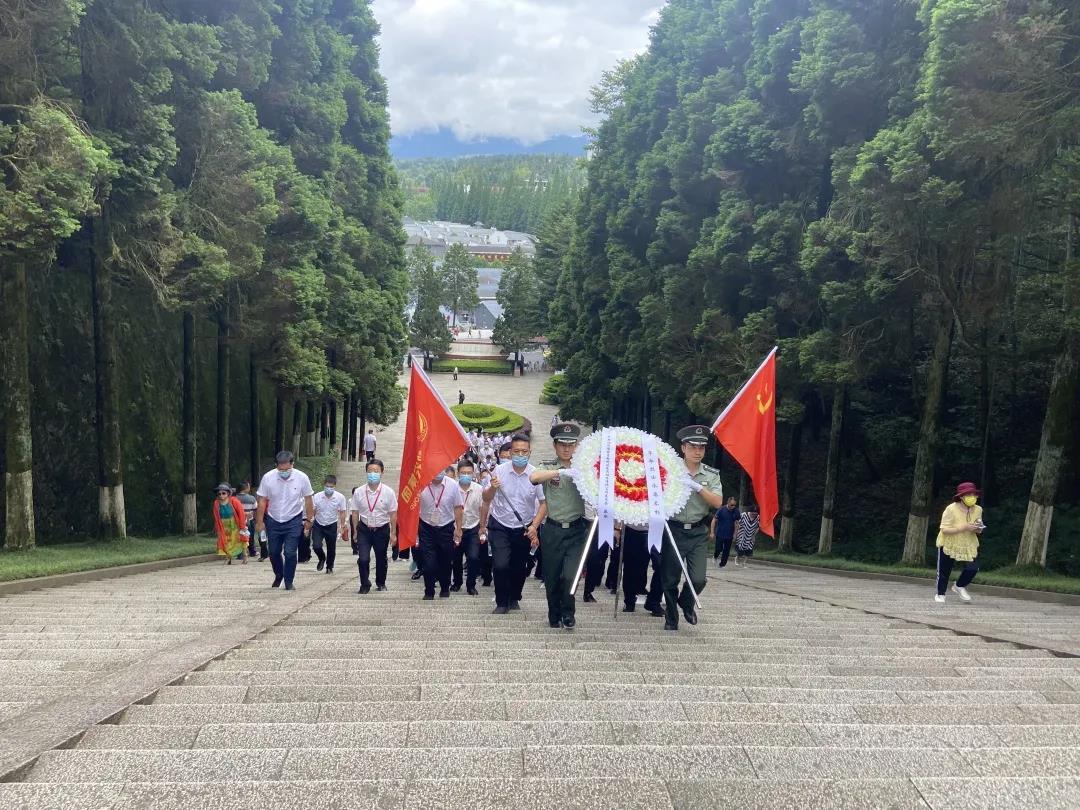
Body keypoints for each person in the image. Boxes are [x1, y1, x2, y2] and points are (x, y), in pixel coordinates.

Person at [663, 426, 725, 630]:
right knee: (670, 578)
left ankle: (687, 601)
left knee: (698, 579)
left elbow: (717, 502)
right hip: (673, 528)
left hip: (698, 531)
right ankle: (671, 619)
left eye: (702, 447)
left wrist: (698, 487)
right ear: (683, 447)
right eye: (693, 446)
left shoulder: (711, 474)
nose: (697, 451)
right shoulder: (669, 470)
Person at [531, 423, 588, 630]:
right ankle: (554, 613)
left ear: (576, 446)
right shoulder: (548, 465)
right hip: (553, 530)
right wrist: (560, 472)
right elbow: (534, 477)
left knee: (570, 575)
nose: (566, 449)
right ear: (555, 446)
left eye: (570, 445)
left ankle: (568, 614)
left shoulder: (584, 469)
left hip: (577, 530)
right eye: (562, 444)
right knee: (553, 577)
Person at [483, 434, 545, 614]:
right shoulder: (499, 471)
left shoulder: (536, 474)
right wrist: (492, 487)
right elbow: (486, 498)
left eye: (524, 451)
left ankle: (514, 596)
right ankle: (501, 601)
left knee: (519, 567)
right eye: (516, 451)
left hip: (524, 527)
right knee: (501, 564)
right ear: (510, 452)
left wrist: (534, 525)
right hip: (500, 524)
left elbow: (543, 503)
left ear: (529, 452)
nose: (520, 454)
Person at [255, 450, 315, 591]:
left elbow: (308, 499)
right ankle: (279, 574)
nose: (284, 472)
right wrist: (259, 522)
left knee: (290, 552)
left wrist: (309, 519)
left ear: (292, 464)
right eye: (281, 469)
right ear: (276, 466)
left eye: (287, 469)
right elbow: (262, 500)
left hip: (293, 519)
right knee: (274, 552)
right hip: (273, 519)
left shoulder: (302, 478)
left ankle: (289, 580)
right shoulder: (268, 478)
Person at [350, 459, 397, 593]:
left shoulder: (388, 492)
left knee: (381, 558)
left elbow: (393, 514)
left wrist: (393, 533)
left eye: (376, 471)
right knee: (363, 558)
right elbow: (355, 512)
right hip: (364, 529)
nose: (373, 474)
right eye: (370, 471)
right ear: (366, 472)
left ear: (382, 472)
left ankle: (381, 582)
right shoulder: (359, 492)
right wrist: (355, 531)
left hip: (381, 529)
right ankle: (365, 584)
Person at [418, 466, 464, 599]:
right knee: (428, 562)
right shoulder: (420, 483)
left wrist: (458, 529)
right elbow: (413, 507)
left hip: (446, 527)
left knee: (445, 560)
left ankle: (445, 587)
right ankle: (429, 591)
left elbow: (458, 507)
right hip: (426, 527)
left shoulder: (452, 485)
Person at [935, 482, 984, 603]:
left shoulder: (978, 509)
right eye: (968, 494)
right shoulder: (951, 509)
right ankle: (940, 594)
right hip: (949, 541)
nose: (971, 497)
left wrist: (978, 528)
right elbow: (944, 529)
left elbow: (979, 527)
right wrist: (964, 527)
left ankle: (959, 585)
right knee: (944, 570)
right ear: (961, 496)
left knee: (973, 568)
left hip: (968, 542)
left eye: (973, 494)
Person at [451, 459, 485, 595]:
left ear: (473, 473)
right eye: (463, 473)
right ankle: (457, 583)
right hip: (455, 528)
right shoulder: (452, 488)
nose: (466, 475)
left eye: (469, 473)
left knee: (473, 557)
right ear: (458, 473)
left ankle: (471, 585)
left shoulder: (479, 489)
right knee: (456, 558)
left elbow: (483, 508)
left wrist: (483, 527)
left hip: (472, 528)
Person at [621, 521, 664, 615]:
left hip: (656, 530)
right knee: (631, 567)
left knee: (661, 566)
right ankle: (629, 601)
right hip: (633, 528)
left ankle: (654, 601)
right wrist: (616, 527)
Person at [311, 474, 347, 574]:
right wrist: (310, 522)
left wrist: (342, 525)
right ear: (324, 485)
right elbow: (313, 510)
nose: (329, 488)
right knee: (316, 545)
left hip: (331, 524)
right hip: (318, 524)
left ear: (335, 486)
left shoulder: (340, 497)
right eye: (327, 486)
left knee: (331, 547)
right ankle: (322, 558)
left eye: (331, 487)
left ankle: (329, 566)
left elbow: (342, 512)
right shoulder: (317, 496)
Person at [213, 483, 249, 565]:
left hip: (234, 523)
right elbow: (216, 515)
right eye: (219, 493)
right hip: (223, 525)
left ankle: (245, 555)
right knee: (226, 541)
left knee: (240, 540)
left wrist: (242, 526)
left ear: (228, 493)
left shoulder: (234, 501)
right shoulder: (216, 503)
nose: (221, 495)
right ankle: (228, 557)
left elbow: (241, 513)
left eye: (223, 493)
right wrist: (217, 526)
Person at [710, 497, 741, 567]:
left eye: (734, 505)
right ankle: (715, 556)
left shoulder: (736, 511)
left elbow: (737, 523)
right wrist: (712, 532)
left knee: (726, 550)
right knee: (718, 548)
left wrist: (735, 534)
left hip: (729, 534)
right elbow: (714, 520)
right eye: (731, 505)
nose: (733, 507)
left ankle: (722, 564)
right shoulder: (721, 509)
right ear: (728, 503)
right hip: (720, 532)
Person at [235, 481, 260, 559]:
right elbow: (255, 510)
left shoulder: (234, 498)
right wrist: (256, 520)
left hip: (237, 521)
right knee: (250, 536)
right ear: (246, 488)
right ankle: (252, 552)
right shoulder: (252, 498)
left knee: (238, 537)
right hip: (249, 520)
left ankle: (240, 554)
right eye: (248, 487)